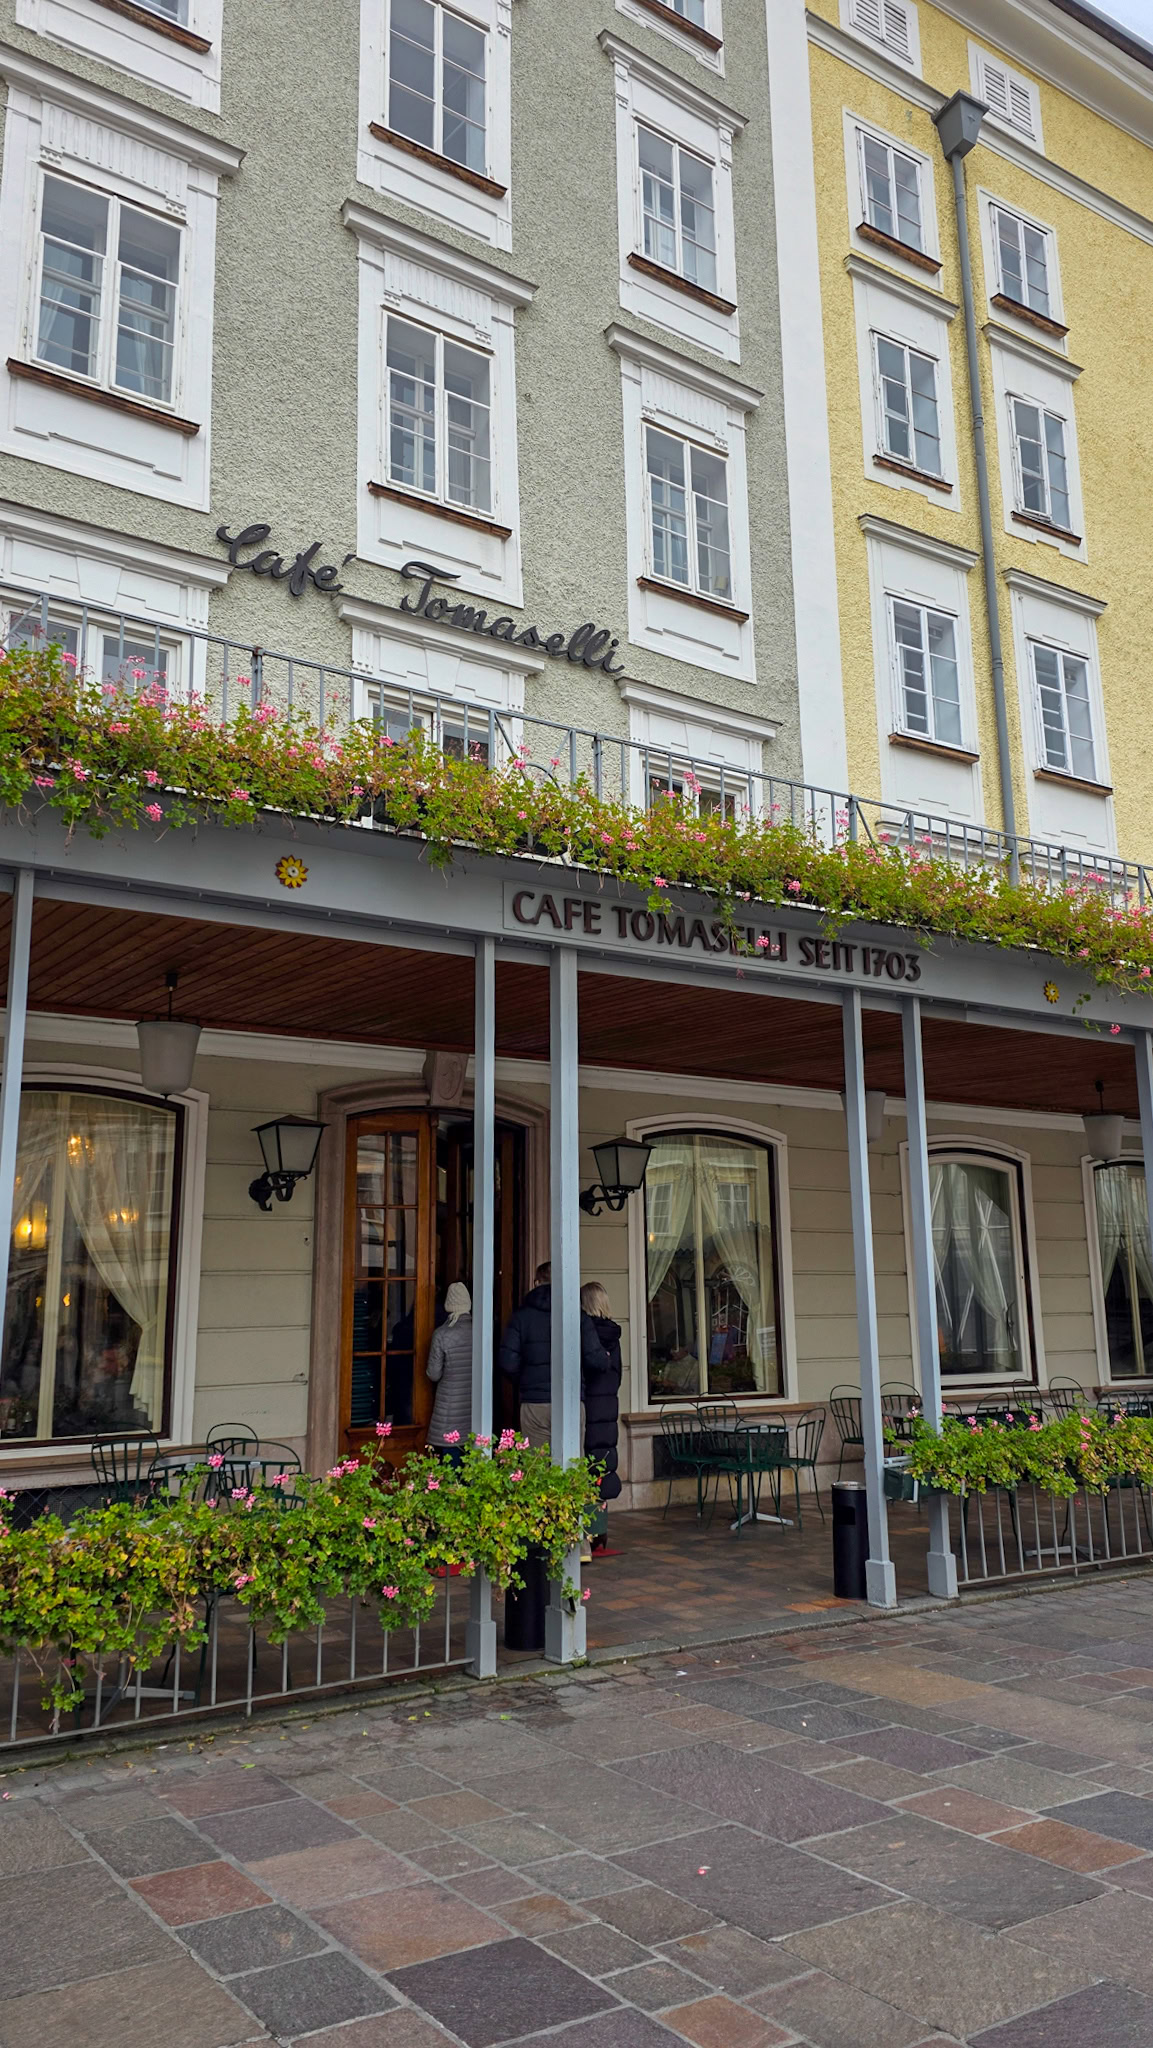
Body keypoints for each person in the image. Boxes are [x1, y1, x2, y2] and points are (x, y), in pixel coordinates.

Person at [498, 1260, 612, 1451]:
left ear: (536, 1283)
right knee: (572, 1470)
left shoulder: (521, 1316)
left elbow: (507, 1362)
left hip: (535, 1403)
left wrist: (528, 1379)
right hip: (570, 1400)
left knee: (537, 1470)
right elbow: (597, 1361)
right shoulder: (578, 1316)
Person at [579, 1280, 622, 1555]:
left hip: (589, 1403)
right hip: (609, 1406)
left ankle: (587, 1531)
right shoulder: (614, 1335)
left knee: (584, 1464)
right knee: (603, 1466)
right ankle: (600, 1529)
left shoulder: (586, 1332)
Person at [425, 1281, 473, 1466]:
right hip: (474, 1404)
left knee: (450, 1461)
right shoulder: (481, 1330)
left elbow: (434, 1374)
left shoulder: (442, 1334)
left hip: (450, 1405)